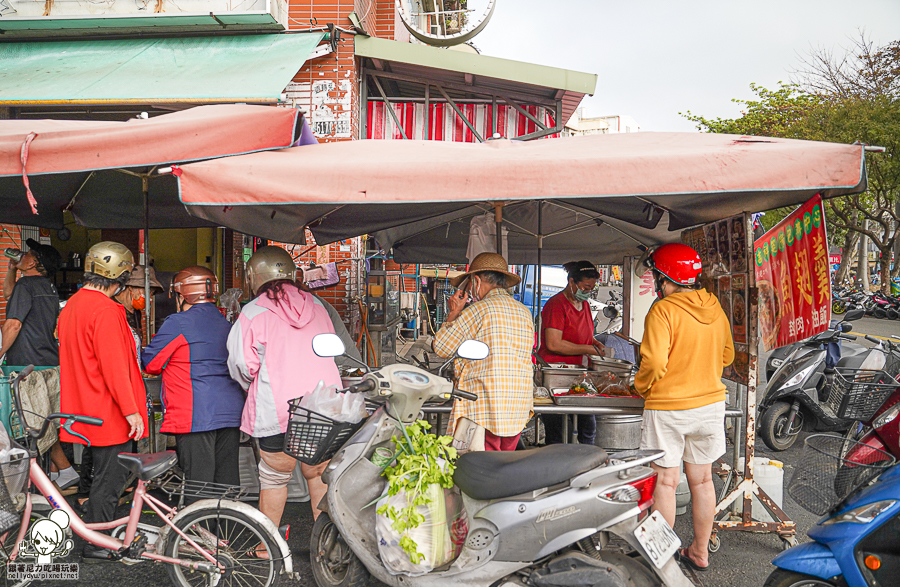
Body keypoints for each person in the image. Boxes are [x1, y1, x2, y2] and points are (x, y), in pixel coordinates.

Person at [632, 243, 734, 572]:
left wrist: (642, 386)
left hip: (669, 408)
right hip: (710, 405)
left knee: (665, 482)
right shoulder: (715, 307)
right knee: (703, 481)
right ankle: (699, 551)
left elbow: (655, 361)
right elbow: (728, 357)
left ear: (664, 278)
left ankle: (662, 558)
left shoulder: (663, 310)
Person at [227, 246, 340, 540]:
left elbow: (241, 364)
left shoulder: (252, 313)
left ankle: (268, 548)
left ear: (254, 278)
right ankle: (326, 547)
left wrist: (254, 383)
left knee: (275, 478)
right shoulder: (317, 306)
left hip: (278, 409)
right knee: (317, 475)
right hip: (322, 405)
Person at [57, 241, 148, 561]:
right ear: (120, 274)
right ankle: (99, 542)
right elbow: (114, 368)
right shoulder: (108, 310)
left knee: (95, 473)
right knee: (110, 480)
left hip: (82, 405)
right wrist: (132, 411)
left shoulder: (72, 306)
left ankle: (94, 533)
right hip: (108, 411)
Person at [142, 266, 244, 499]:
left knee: (199, 483)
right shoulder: (226, 323)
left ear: (181, 294)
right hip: (230, 410)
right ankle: (227, 532)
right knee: (226, 481)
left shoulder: (179, 323)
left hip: (196, 412)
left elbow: (151, 363)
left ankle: (197, 533)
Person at [433, 252, 534, 451]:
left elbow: (442, 347)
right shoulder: (524, 311)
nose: (471, 291)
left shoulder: (478, 310)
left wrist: (453, 312)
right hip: (517, 406)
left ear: (476, 281)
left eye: (470, 285)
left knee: (481, 471)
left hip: (484, 407)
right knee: (504, 466)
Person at [0, 240, 79, 490]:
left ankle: (64, 470)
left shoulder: (27, 285)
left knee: (33, 423)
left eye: (28, 254)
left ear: (33, 262)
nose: (22, 255)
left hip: (25, 365)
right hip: (48, 363)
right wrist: (12, 268)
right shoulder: (47, 286)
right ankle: (54, 472)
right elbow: (9, 294)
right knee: (45, 420)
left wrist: (0, 352)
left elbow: (13, 324)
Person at [536, 260, 605, 446]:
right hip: (555, 374)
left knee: (587, 427)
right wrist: (588, 349)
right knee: (558, 431)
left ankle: (585, 466)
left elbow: (585, 335)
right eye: (585, 287)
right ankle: (556, 470)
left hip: (579, 375)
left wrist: (596, 343)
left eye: (591, 288)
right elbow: (553, 343)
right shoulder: (556, 305)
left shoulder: (585, 306)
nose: (588, 292)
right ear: (572, 282)